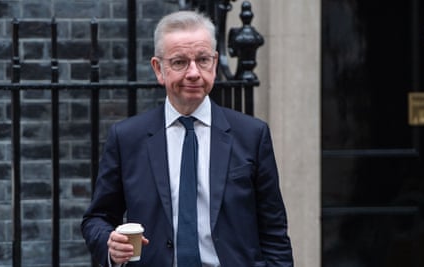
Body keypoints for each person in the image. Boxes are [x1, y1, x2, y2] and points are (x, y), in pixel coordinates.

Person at [81, 10, 293, 267]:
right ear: (159, 69)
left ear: (214, 64)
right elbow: (97, 218)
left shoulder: (252, 135)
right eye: (180, 62)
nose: (194, 72)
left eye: (202, 60)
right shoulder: (127, 138)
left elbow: (274, 232)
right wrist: (110, 244)